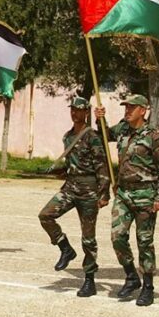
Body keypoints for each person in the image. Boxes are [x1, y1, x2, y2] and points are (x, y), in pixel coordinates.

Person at [95, 94, 159, 307]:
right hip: (124, 194)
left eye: (131, 108)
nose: (127, 111)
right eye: (126, 107)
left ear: (143, 110)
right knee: (117, 236)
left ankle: (148, 286)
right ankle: (131, 276)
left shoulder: (154, 136)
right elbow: (104, 135)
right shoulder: (122, 129)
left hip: (146, 195)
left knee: (144, 241)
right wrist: (100, 119)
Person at [38, 96, 110, 297]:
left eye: (78, 110)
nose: (74, 113)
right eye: (72, 109)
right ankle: (65, 247)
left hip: (89, 190)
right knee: (45, 215)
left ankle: (89, 279)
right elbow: (70, 164)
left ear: (86, 112)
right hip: (70, 187)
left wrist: (104, 193)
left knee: (88, 238)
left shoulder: (92, 136)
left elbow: (101, 165)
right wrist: (56, 169)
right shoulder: (68, 137)